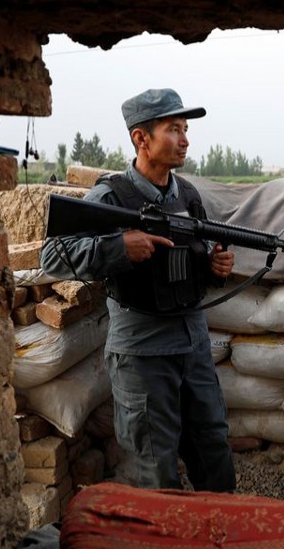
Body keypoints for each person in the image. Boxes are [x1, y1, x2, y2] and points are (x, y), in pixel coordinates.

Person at [39, 88, 236, 492]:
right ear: (140, 138)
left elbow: (191, 259)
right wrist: (118, 247)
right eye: (173, 129)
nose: (184, 139)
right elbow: (53, 257)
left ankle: (221, 546)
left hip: (193, 345)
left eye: (185, 129)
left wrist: (214, 266)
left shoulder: (188, 196)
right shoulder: (111, 197)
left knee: (213, 449)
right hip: (143, 353)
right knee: (154, 465)